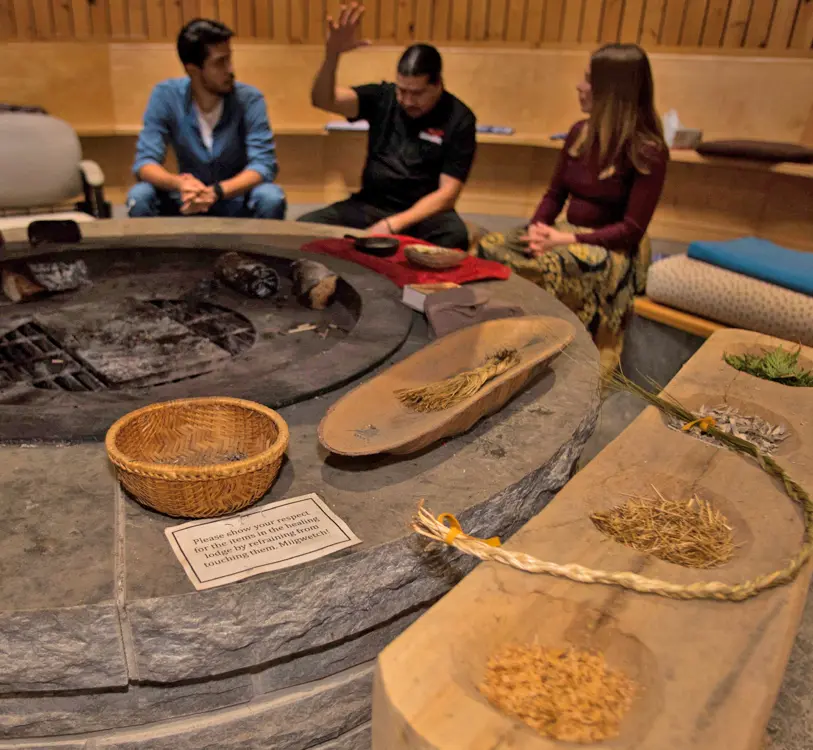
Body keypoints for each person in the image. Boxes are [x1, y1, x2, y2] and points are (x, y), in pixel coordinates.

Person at [479, 43, 668, 377]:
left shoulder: (647, 150)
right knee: (490, 247)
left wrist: (563, 240)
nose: (580, 88)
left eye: (588, 81)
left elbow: (630, 230)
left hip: (611, 249)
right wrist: (538, 228)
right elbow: (554, 194)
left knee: (550, 263)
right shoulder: (580, 134)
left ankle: (548, 347)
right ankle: (505, 337)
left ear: (612, 91)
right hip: (563, 234)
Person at [299, 3, 476, 250]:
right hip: (372, 204)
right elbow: (322, 100)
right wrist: (332, 55)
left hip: (423, 213)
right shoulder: (384, 96)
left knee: (454, 237)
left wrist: (392, 225)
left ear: (438, 84)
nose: (406, 101)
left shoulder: (460, 117)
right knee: (305, 229)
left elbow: (447, 195)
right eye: (402, 90)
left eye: (416, 93)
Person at [127, 18, 286, 220]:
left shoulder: (249, 99)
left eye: (229, 59)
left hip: (234, 197)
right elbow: (145, 163)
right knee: (140, 195)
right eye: (220, 62)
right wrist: (180, 184)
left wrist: (217, 192)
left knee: (270, 197)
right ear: (192, 70)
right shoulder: (165, 96)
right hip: (186, 198)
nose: (230, 70)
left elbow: (264, 164)